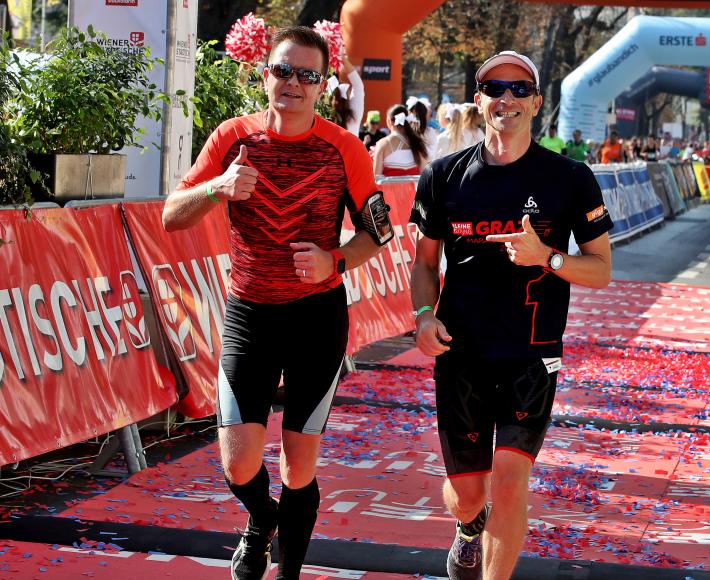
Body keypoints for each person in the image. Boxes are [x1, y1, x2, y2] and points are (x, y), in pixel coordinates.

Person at [161, 26, 392, 580]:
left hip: (317, 317)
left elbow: (379, 231)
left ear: (322, 85)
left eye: (306, 75)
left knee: (296, 466)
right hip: (250, 314)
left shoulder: (344, 147)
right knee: (238, 463)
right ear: (264, 75)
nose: (292, 83)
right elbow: (172, 215)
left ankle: (286, 571)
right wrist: (216, 189)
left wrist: (334, 260)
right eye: (283, 71)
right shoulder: (232, 137)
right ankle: (261, 522)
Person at [409, 50, 612, 580]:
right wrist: (425, 316)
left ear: (538, 103)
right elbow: (425, 263)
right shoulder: (443, 176)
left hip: (531, 351)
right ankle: (469, 526)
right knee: (467, 496)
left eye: (520, 89)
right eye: (496, 88)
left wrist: (547, 256)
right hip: (462, 351)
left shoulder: (570, 178)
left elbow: (600, 270)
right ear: (479, 102)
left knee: (509, 479)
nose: (508, 98)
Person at [372, 104, 429, 177]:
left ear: (390, 121)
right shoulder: (418, 142)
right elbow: (424, 176)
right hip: (414, 188)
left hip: (390, 188)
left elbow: (376, 177)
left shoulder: (383, 144)